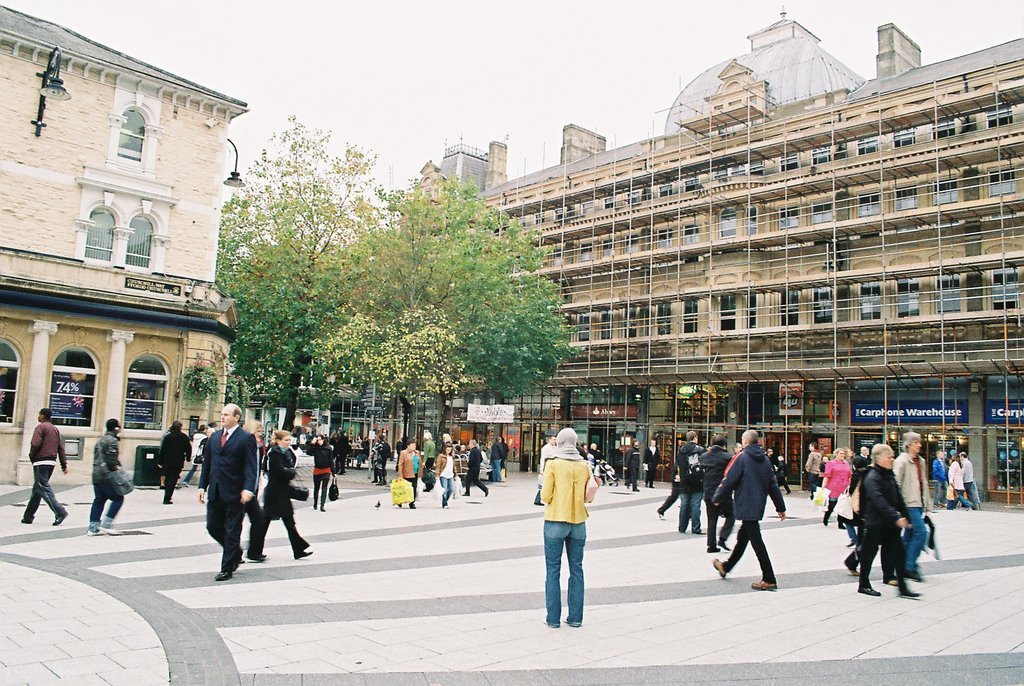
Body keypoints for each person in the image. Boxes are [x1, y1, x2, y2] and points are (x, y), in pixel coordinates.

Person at [711, 430, 787, 591]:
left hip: (745, 503)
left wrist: (717, 498)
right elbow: (773, 485)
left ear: (745, 442)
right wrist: (780, 507)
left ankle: (769, 578)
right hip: (758, 504)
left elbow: (729, 480)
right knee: (743, 537)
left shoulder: (743, 458)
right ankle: (726, 567)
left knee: (756, 541)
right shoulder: (765, 459)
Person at [197, 404, 258, 581]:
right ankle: (235, 551)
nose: (222, 417)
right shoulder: (215, 438)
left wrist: (248, 488)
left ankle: (227, 567)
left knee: (233, 530)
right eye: (221, 414)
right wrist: (202, 486)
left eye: (226, 415)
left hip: (235, 492)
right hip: (215, 490)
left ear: (236, 417)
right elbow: (207, 464)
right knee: (212, 526)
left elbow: (250, 467)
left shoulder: (246, 438)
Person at [540, 427, 591, 628]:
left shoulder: (553, 464)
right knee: (577, 569)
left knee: (553, 569)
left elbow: (545, 496)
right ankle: (576, 617)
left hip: (555, 520)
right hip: (578, 522)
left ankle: (553, 618)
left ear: (559, 442)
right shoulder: (584, 465)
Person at [857, 444, 920, 598]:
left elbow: (897, 497)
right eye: (889, 457)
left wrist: (905, 514)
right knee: (868, 554)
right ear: (879, 459)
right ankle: (863, 584)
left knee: (899, 554)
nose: (892, 459)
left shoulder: (888, 474)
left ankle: (903, 588)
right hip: (875, 523)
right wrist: (896, 517)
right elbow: (878, 500)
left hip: (890, 524)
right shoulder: (872, 476)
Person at [247, 430, 312, 562]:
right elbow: (280, 471)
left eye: (289, 440)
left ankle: (298, 549)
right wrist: (290, 471)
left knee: (289, 522)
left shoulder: (288, 453)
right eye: (286, 440)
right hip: (274, 494)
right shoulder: (275, 453)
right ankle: (254, 551)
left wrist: (289, 471)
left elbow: (288, 469)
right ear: (278, 441)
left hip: (282, 492)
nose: (289, 442)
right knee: (265, 523)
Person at [893, 432, 932, 582]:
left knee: (909, 536)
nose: (920, 445)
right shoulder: (901, 461)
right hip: (908, 503)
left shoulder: (920, 461)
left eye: (920, 442)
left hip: (919, 502)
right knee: (921, 532)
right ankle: (909, 566)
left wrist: (928, 504)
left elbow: (924, 483)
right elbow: (896, 483)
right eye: (916, 442)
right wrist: (899, 506)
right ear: (909, 444)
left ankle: (901, 565)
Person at [21, 408, 69, 526]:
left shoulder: (40, 428)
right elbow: (61, 448)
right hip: (51, 462)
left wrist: (32, 456)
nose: (38, 417)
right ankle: (28, 516)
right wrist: (64, 465)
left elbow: (35, 444)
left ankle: (60, 512)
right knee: (38, 489)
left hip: (40, 461)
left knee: (43, 487)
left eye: (39, 414)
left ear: (42, 416)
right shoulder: (55, 429)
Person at [88, 418, 125, 535]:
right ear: (116, 428)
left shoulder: (100, 440)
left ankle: (93, 528)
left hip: (96, 474)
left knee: (99, 500)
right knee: (118, 498)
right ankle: (106, 524)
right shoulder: (112, 441)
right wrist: (119, 472)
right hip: (107, 476)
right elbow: (112, 461)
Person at [700, 434, 734, 553]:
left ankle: (711, 545)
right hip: (723, 491)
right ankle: (723, 537)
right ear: (723, 445)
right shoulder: (728, 457)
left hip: (708, 491)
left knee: (711, 518)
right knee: (731, 515)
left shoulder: (704, 457)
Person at [658, 431, 701, 522]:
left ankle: (688, 514)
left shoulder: (683, 450)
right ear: (694, 438)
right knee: (677, 496)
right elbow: (679, 464)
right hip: (680, 476)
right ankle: (662, 510)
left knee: (686, 497)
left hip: (682, 476)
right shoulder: (690, 451)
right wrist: (677, 475)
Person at [157, 420, 191, 505]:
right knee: (173, 479)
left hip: (167, 460)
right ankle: (167, 497)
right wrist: (188, 458)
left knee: (167, 478)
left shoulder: (168, 437)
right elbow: (188, 448)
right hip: (178, 461)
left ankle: (167, 495)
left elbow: (163, 450)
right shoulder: (183, 437)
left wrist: (160, 461)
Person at [678, 433, 705, 534]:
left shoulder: (681, 450)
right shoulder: (700, 450)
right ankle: (696, 528)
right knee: (695, 504)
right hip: (697, 481)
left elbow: (679, 464)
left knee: (684, 504)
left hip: (684, 481)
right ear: (695, 438)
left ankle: (682, 527)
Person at [821, 447, 852, 527]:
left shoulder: (846, 463)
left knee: (842, 505)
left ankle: (840, 523)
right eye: (841, 454)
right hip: (833, 486)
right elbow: (827, 475)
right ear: (836, 454)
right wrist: (823, 486)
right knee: (832, 505)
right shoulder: (831, 463)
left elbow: (849, 475)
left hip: (844, 487)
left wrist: (850, 485)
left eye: (843, 454)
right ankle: (826, 516)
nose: (842, 455)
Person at [310, 435, 333, 512]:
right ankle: (315, 503)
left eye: (320, 440)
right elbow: (308, 452)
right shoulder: (315, 448)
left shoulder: (328, 449)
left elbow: (331, 461)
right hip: (317, 470)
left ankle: (322, 505)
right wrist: (312, 443)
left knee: (324, 488)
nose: (319, 441)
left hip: (326, 470)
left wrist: (334, 472)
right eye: (317, 440)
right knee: (316, 488)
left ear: (323, 440)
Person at [396, 438, 422, 508]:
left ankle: (412, 503)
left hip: (415, 473)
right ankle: (400, 501)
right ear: (408, 446)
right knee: (405, 488)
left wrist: (420, 472)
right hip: (406, 473)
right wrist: (400, 474)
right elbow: (400, 464)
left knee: (414, 488)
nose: (414, 447)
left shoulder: (417, 452)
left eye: (414, 446)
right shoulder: (403, 453)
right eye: (412, 445)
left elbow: (420, 463)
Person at [436, 442, 459, 508]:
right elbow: (438, 466)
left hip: (450, 475)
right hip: (443, 475)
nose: (449, 450)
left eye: (450, 448)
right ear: (445, 449)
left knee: (451, 489)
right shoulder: (441, 456)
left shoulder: (452, 457)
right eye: (447, 448)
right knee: (444, 489)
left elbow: (453, 466)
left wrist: (456, 474)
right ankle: (445, 503)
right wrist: (437, 475)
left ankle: (445, 500)